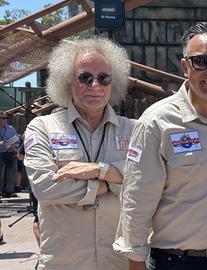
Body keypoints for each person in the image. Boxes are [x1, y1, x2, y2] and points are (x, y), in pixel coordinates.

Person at [114, 22, 207, 270]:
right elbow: (136, 201)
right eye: (201, 62)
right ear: (185, 66)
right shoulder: (157, 122)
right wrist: (135, 262)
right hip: (177, 261)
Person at [24, 37, 134, 269]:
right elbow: (45, 187)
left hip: (118, 262)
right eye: (85, 78)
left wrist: (99, 170)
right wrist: (107, 183)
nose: (95, 85)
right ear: (67, 82)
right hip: (65, 262)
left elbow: (145, 181)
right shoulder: (42, 128)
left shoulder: (133, 130)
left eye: (104, 78)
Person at [0, 111, 19, 198]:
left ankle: (8, 191)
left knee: (11, 172)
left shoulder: (11, 128)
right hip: (0, 153)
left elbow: (16, 139)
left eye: (6, 118)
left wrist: (15, 145)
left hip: (9, 152)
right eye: (3, 118)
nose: (5, 120)